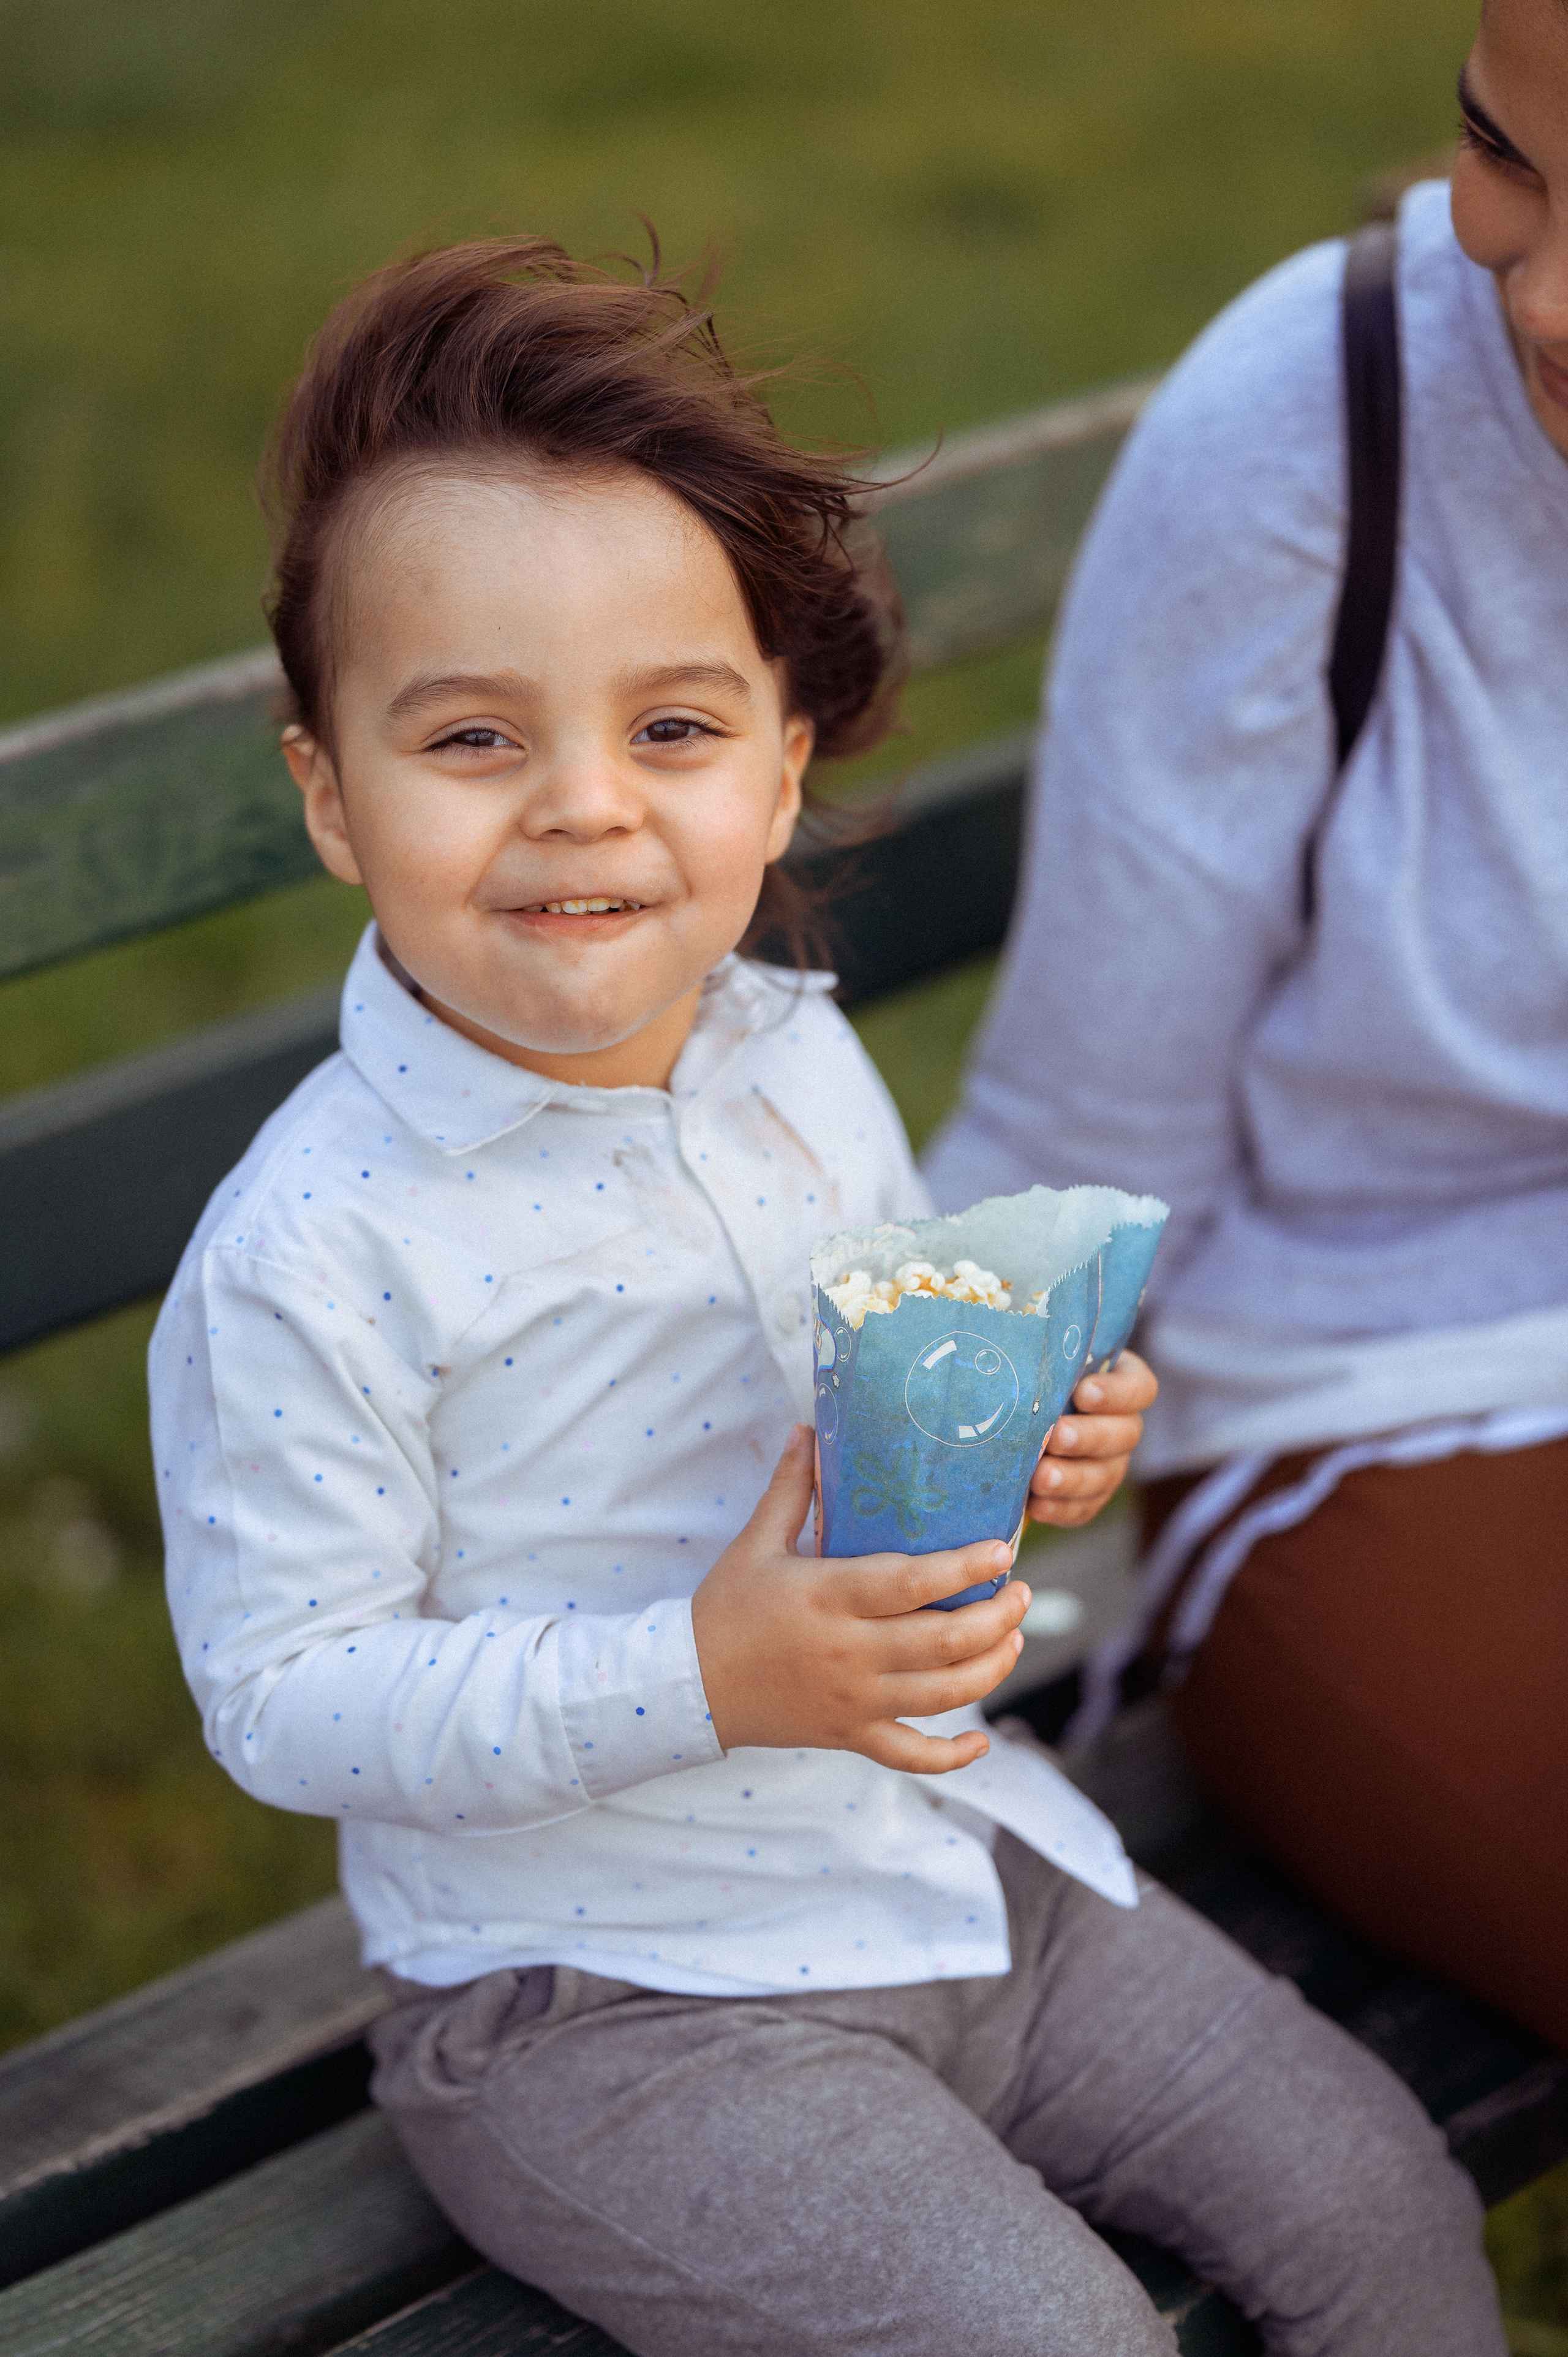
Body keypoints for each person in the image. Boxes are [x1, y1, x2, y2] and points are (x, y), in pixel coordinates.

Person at [149, 233, 1507, 2356]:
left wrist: (1027, 1434)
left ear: (780, 769)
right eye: (475, 737)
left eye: (670, 726)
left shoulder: (790, 1049)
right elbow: (288, 1692)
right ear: (332, 790)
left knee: (1377, 2197)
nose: (583, 801)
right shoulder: (317, 1248)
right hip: (607, 2002)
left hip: (958, 1859)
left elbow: (865, 1417)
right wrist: (702, 1672)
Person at [927, 0, 1568, 2054]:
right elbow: (1070, 1148)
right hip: (1365, 1395)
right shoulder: (1326, 429)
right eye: (1506, 157)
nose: (1546, 298)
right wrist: (840, 1590)